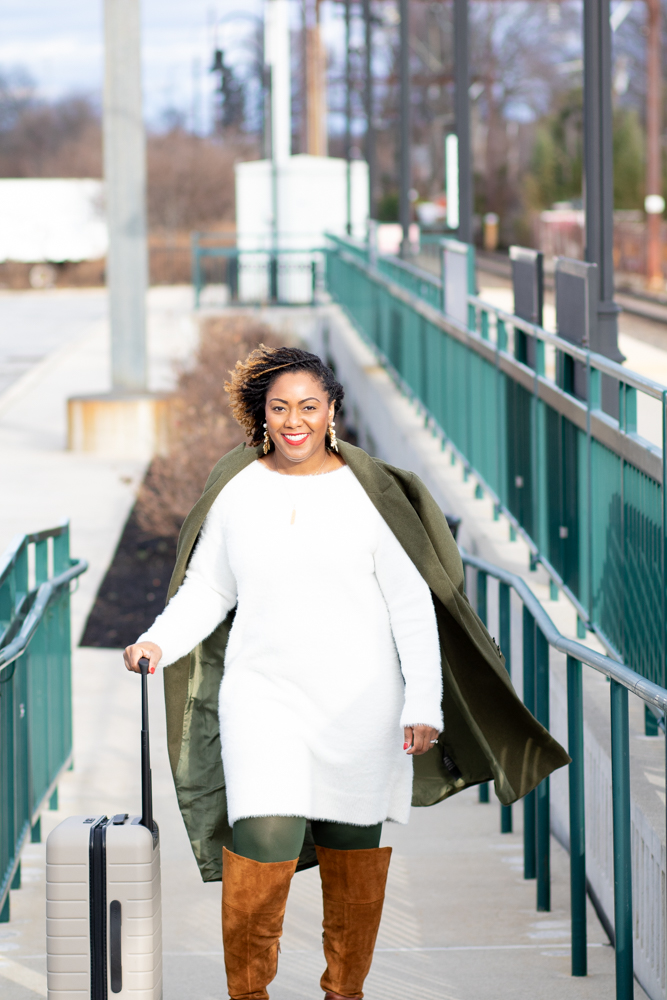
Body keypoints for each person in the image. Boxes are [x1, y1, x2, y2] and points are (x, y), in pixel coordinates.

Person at [124, 345, 568, 1000]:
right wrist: (157, 642)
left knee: (350, 855)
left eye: (307, 406)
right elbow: (206, 591)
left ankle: (343, 991)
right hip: (263, 699)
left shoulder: (369, 495)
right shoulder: (238, 491)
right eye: (279, 408)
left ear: (331, 408)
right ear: (262, 415)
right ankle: (248, 995)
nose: (293, 420)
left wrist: (423, 704)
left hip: (360, 704)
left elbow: (413, 607)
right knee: (260, 839)